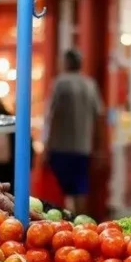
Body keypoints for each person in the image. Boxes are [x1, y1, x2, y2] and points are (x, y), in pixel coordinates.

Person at [42, 49, 104, 215]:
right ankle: (82, 226)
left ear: (66, 63)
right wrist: (99, 148)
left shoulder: (60, 83)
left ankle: (63, 226)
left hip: (60, 146)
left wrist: (46, 145)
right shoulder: (90, 84)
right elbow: (99, 117)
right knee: (80, 191)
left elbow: (52, 115)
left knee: (59, 193)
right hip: (83, 147)